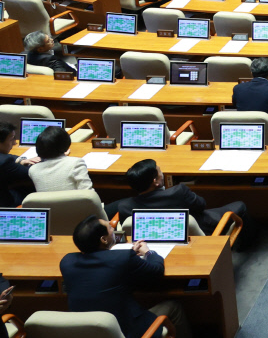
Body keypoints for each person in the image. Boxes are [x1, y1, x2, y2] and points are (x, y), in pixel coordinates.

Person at [62, 215, 193, 338]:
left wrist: (128, 256)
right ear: (103, 239)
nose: (113, 229)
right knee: (174, 307)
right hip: (127, 331)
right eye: (110, 228)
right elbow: (156, 270)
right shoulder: (123, 258)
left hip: (88, 332)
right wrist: (148, 252)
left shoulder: (67, 262)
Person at [111, 158, 248, 236]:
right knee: (240, 205)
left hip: (155, 243)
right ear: (155, 181)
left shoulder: (124, 207)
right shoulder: (178, 192)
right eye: (160, 171)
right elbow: (201, 205)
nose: (162, 173)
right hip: (200, 230)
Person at [29, 125, 93, 192]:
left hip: (47, 199)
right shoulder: (76, 163)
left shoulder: (33, 170)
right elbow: (88, 193)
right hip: (73, 199)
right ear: (66, 144)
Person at [0, 121, 35, 207]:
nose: (14, 143)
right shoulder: (5, 162)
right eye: (11, 139)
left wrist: (20, 160)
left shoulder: (4, 159)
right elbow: (32, 172)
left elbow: (6, 156)